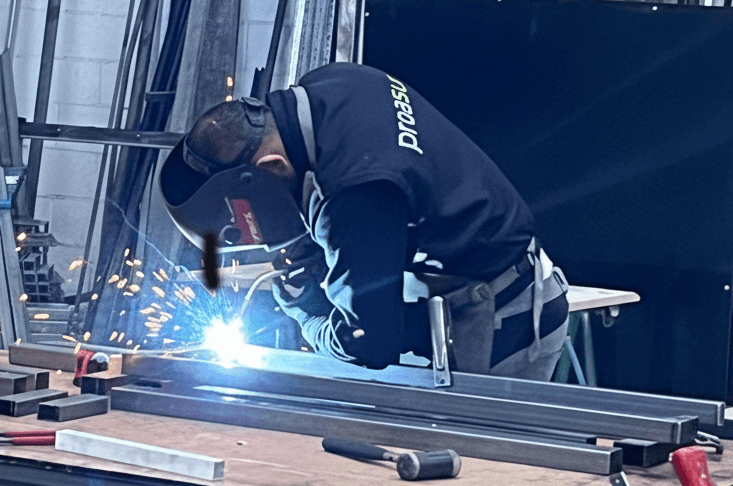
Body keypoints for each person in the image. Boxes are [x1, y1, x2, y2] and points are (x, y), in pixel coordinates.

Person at [158, 62, 570, 380]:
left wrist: (305, 313)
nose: (261, 237)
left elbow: (370, 343)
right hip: (485, 277)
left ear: (270, 165)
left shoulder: (355, 195)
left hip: (502, 324)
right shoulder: (332, 84)